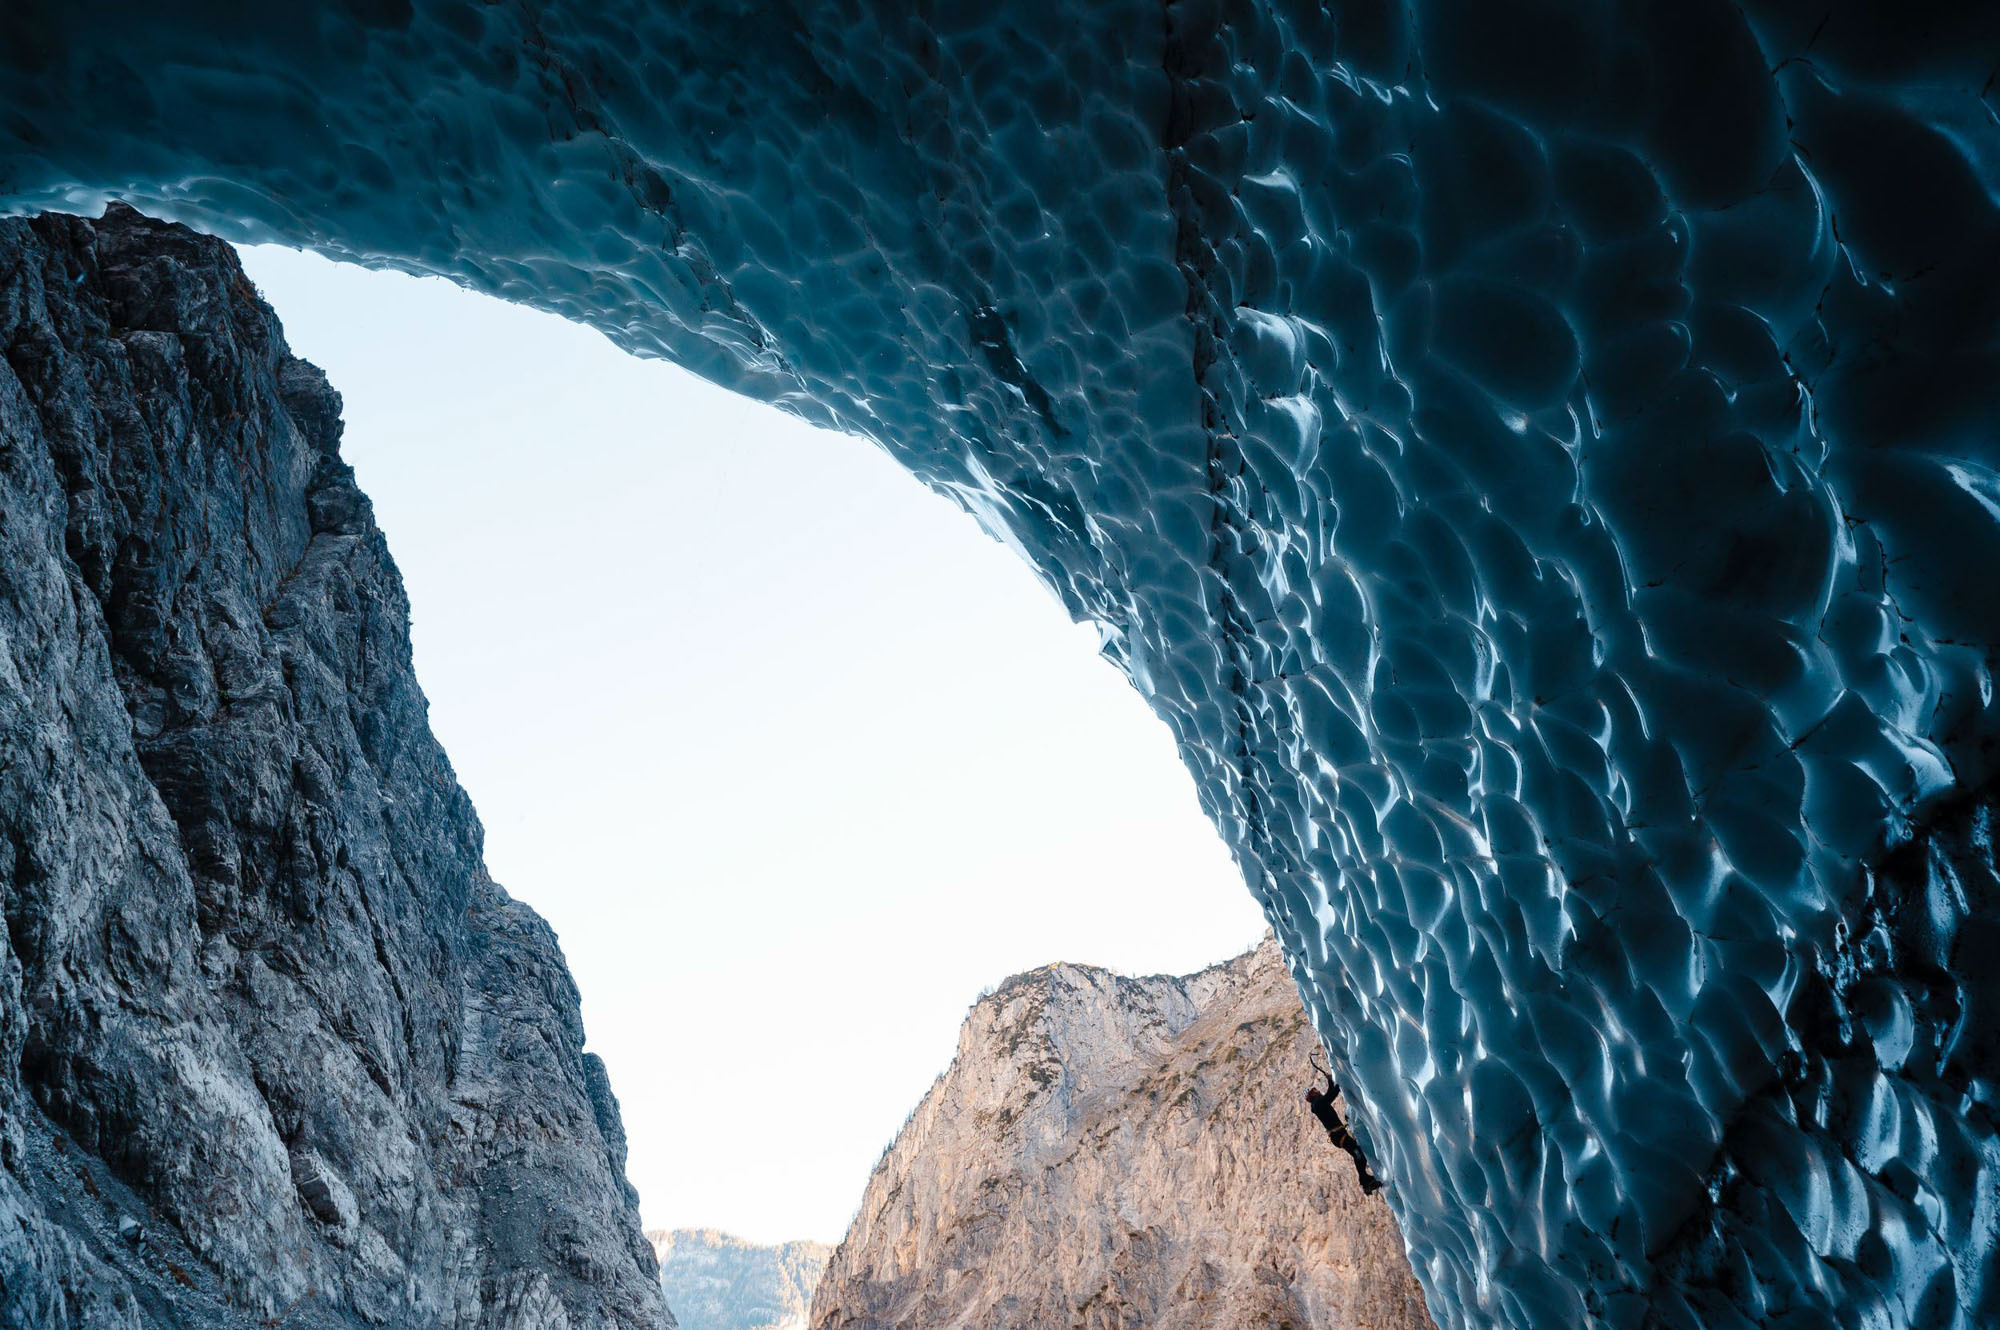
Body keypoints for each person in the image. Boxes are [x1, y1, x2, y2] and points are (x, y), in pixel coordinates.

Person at [1307, 1059, 1384, 1195]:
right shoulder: (1318, 1104)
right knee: (1358, 1154)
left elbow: (1329, 1095)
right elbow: (1331, 1094)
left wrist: (1331, 1081)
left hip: (1338, 1135)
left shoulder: (1318, 1104)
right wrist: (1335, 1082)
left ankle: (1366, 1181)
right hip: (1338, 1135)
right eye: (1314, 1090)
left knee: (1358, 1154)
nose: (1317, 1090)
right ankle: (1365, 1182)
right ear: (1311, 1095)